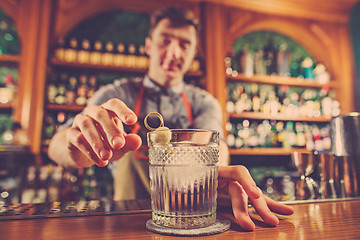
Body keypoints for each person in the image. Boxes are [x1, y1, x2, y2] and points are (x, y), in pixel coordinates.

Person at [48, 7, 294, 231]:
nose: (174, 52)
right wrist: (78, 149)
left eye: (184, 45)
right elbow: (56, 146)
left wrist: (216, 176)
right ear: (148, 46)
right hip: (128, 222)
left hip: (189, 218)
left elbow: (215, 148)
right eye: (165, 41)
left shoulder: (203, 102)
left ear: (193, 53)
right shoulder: (116, 94)